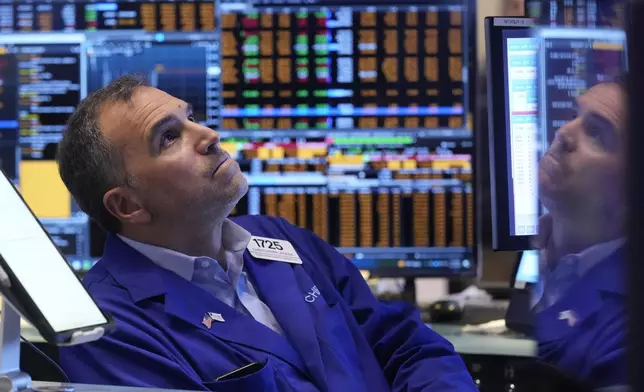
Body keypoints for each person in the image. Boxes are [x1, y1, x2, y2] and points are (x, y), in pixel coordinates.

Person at [56, 75, 476, 391]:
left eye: (191, 119)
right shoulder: (106, 330)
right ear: (128, 205)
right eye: (169, 137)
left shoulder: (280, 239)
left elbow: (405, 345)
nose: (208, 135)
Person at [533, 81, 627, 388]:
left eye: (597, 134)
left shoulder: (625, 331)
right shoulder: (539, 257)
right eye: (576, 115)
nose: (563, 134)